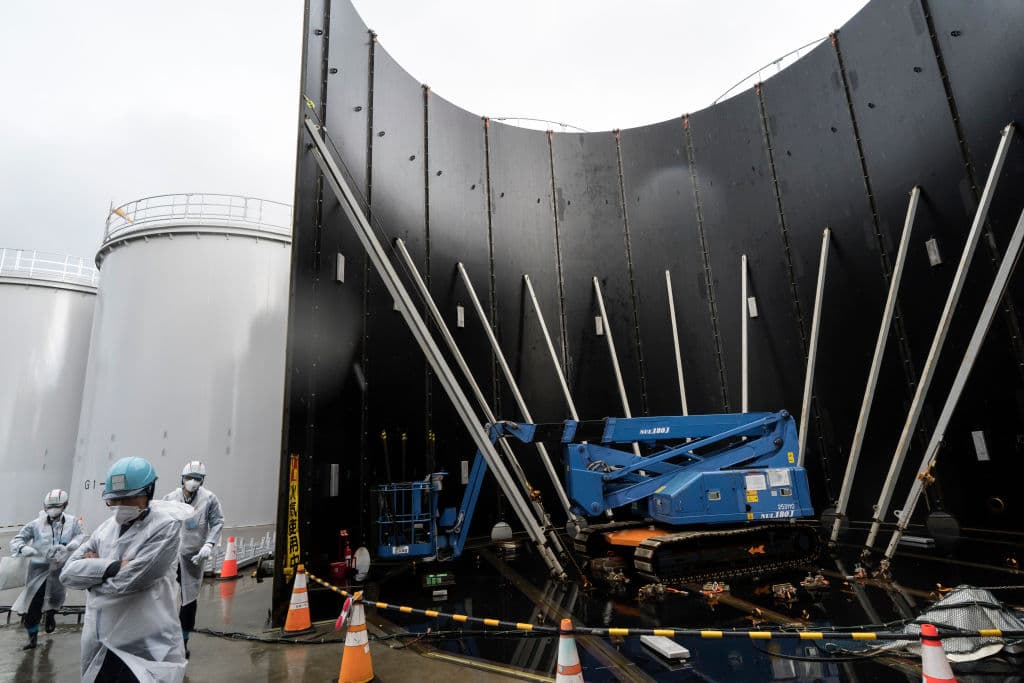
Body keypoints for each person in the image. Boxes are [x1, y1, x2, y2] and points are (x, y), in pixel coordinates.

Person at [60, 456, 193, 683]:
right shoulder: (105, 529)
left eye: (129, 498)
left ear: (148, 493)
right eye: (115, 500)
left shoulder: (166, 527)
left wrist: (91, 576)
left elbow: (130, 582)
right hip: (103, 639)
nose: (122, 506)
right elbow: (68, 573)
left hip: (146, 641)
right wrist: (112, 566)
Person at [10, 489, 85, 650]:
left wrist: (71, 545)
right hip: (39, 570)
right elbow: (17, 540)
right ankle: (32, 638)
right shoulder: (36, 524)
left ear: (65, 505)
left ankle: (51, 614)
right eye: (49, 506)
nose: (52, 509)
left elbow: (79, 536)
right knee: (33, 605)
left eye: (56, 506)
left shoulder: (72, 523)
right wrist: (23, 548)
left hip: (59, 569)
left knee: (56, 598)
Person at [163, 460, 224, 658]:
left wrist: (209, 544)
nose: (192, 482)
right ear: (182, 478)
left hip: (193, 556)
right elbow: (159, 522)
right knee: (164, 596)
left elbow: (217, 522)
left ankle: (183, 641)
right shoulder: (171, 498)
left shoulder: (209, 499)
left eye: (197, 479)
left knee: (189, 600)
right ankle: (163, 639)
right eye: (189, 478)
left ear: (202, 481)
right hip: (171, 556)